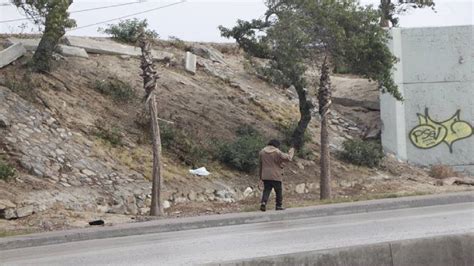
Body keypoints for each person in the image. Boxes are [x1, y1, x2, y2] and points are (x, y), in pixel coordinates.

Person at [258, 139, 295, 211]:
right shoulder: (277, 152)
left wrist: (260, 177)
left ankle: (263, 202)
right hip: (276, 175)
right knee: (278, 190)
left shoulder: (262, 152)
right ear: (276, 145)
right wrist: (291, 152)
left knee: (266, 190)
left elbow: (260, 165)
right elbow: (288, 158)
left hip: (265, 175)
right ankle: (278, 205)